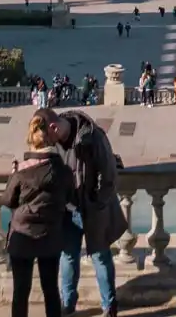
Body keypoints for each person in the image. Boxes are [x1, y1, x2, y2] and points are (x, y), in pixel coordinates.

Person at [39, 108, 125, 317]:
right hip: (67, 209)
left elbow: (108, 175)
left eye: (48, 137)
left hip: (92, 208)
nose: (47, 143)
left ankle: (109, 307)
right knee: (68, 257)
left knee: (100, 257)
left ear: (54, 127)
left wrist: (96, 202)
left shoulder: (93, 136)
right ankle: (68, 304)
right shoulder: (53, 143)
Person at [4, 116, 72, 317]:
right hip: (50, 234)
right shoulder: (64, 171)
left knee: (20, 292)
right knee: (50, 290)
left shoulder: (22, 171)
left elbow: (8, 200)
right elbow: (69, 197)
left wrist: (12, 174)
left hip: (22, 233)